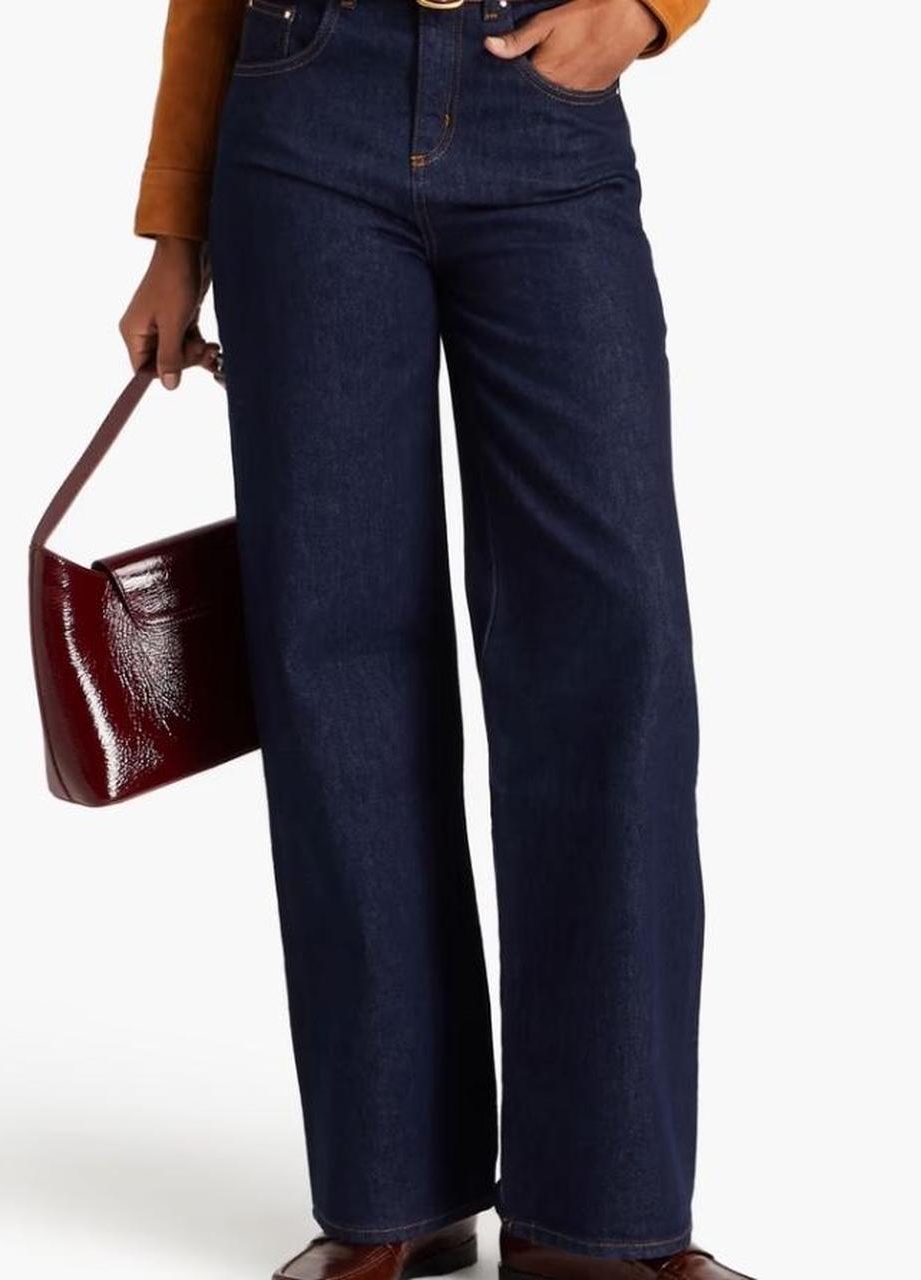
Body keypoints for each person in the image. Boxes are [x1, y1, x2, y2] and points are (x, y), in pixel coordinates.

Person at [120, 1, 755, 1276]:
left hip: (546, 110)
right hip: (302, 104)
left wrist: (647, 11)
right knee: (333, 646)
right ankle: (389, 1193)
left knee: (612, 647)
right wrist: (176, 229)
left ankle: (602, 1216)